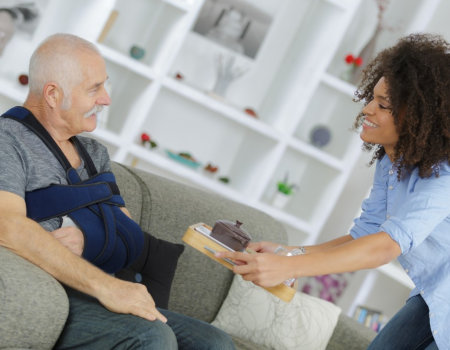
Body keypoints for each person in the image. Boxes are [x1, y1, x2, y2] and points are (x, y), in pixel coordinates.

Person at [0, 33, 235, 350]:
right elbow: (9, 227)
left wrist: (87, 237)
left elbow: (131, 239)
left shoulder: (94, 154)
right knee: (151, 337)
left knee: (214, 342)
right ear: (54, 95)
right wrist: (105, 285)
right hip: (51, 291)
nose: (106, 99)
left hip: (99, 288)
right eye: (94, 88)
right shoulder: (8, 140)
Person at [218, 33, 449, 350]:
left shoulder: (443, 177)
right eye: (372, 98)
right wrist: (290, 254)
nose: (367, 109)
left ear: (419, 118)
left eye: (383, 105)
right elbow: (363, 236)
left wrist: (288, 268)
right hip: (435, 295)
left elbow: (383, 248)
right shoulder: (391, 161)